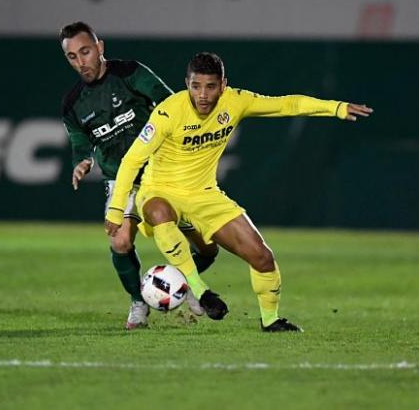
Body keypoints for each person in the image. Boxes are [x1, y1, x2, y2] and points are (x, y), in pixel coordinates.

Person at [104, 52, 373, 332]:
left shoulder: (236, 101)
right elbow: (132, 160)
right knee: (158, 211)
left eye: (210, 87)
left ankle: (270, 320)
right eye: (196, 86)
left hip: (205, 195)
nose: (203, 95)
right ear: (187, 83)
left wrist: (337, 107)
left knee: (262, 257)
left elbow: (287, 104)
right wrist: (115, 209)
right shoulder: (168, 112)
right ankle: (200, 290)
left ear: (223, 85)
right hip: (160, 191)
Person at [59, 23, 219, 330]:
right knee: (119, 242)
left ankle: (184, 283)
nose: (81, 62)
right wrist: (81, 161)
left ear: (100, 47)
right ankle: (137, 302)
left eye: (85, 51)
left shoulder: (130, 73)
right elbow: (80, 142)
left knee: (208, 248)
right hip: (121, 180)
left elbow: (168, 100)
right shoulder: (72, 104)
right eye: (72, 56)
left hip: (162, 172)